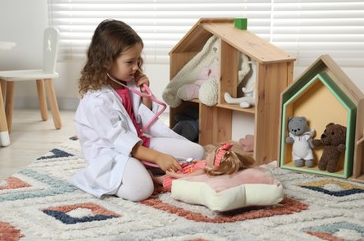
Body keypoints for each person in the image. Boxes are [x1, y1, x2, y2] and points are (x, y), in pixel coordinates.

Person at [70, 19, 205, 202]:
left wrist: (145, 94)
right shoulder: (96, 101)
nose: (135, 67)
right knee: (141, 190)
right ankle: (149, 176)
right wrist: (158, 157)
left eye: (138, 60)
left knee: (197, 153)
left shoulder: (128, 83)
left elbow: (143, 120)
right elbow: (120, 141)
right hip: (112, 153)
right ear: (106, 62)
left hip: (139, 143)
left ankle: (145, 166)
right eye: (130, 62)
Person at [152, 143, 256, 192]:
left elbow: (187, 176)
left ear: (215, 166)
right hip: (185, 168)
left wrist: (173, 174)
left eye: (211, 156)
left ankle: (154, 178)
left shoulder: (203, 170)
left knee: (161, 179)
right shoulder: (205, 165)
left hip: (180, 176)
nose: (209, 154)